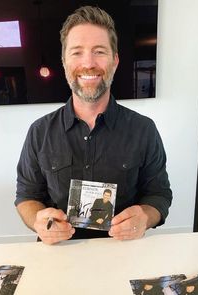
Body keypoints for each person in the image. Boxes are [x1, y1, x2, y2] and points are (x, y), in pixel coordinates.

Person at [15, 5, 172, 244]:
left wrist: (146, 217)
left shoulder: (144, 129)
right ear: (64, 61)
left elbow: (159, 193)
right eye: (77, 52)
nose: (88, 63)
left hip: (122, 252)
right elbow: (26, 196)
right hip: (59, 253)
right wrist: (38, 220)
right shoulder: (40, 132)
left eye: (99, 51)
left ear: (115, 61)